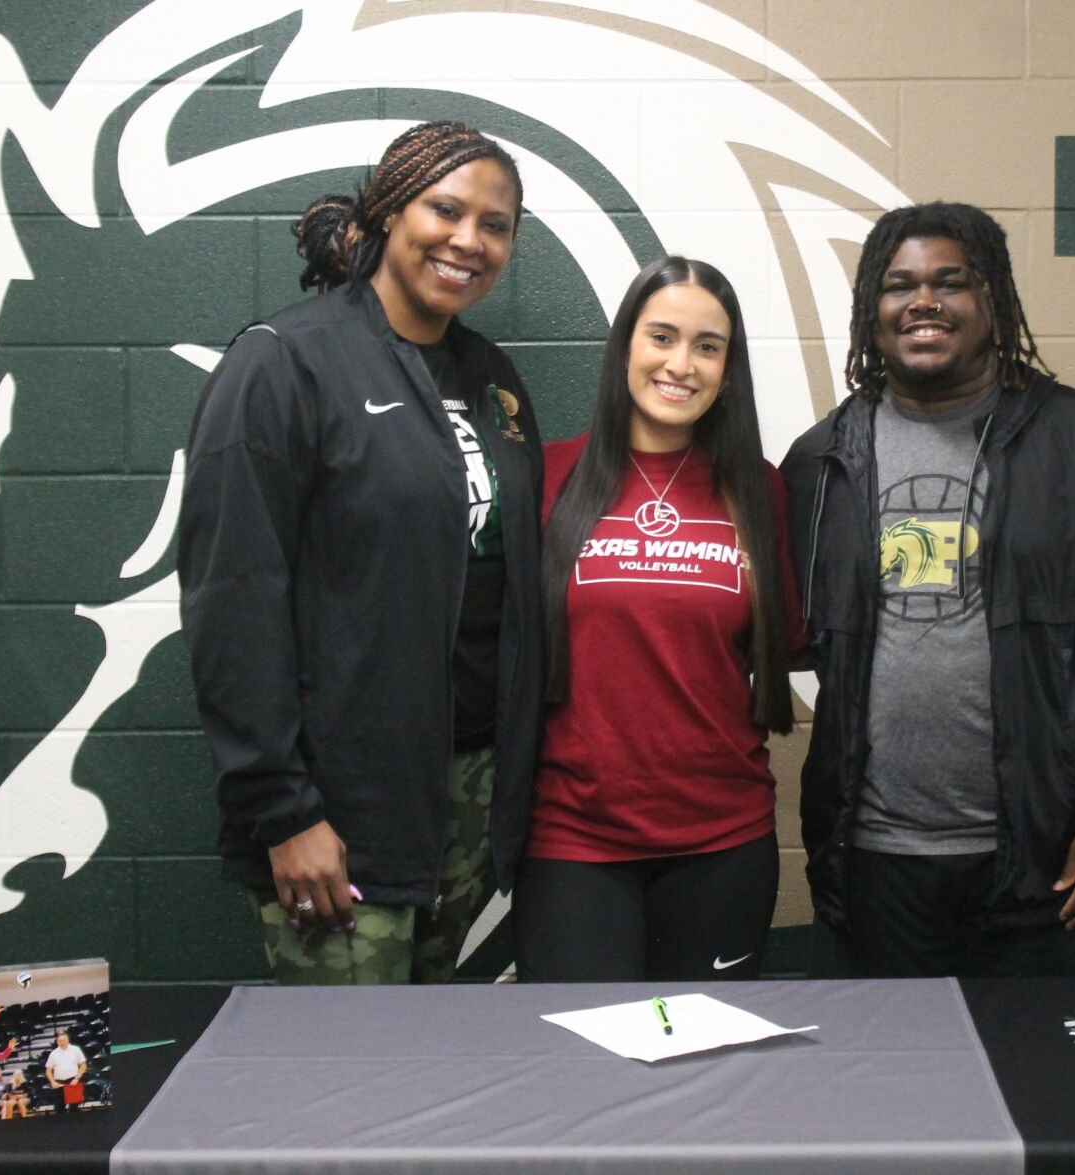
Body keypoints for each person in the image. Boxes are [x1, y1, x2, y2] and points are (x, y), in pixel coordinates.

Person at [781, 202, 1075, 984]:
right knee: (890, 1095)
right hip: (872, 865)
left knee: (1055, 1093)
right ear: (871, 309)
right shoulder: (822, 460)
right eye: (898, 284)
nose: (923, 301)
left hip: (1047, 863)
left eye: (951, 281)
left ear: (993, 302)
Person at [178, 121, 545, 985]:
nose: (468, 241)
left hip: (471, 803)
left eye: (495, 225)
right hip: (340, 811)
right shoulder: (283, 362)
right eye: (445, 210)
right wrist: (280, 809)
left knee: (439, 1072)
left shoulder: (493, 380)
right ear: (389, 210)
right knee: (350, 1084)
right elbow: (234, 600)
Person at [513, 257, 803, 982]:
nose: (682, 363)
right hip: (572, 840)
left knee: (703, 1076)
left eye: (707, 346)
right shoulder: (545, 478)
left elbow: (785, 642)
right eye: (662, 337)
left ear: (728, 370)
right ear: (625, 350)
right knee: (582, 1071)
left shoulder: (759, 490)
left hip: (722, 839)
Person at [44, 1030, 87, 1112]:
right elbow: (48, 1071)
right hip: (58, 1083)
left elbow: (83, 1066)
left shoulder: (75, 1049)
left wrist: (77, 1078)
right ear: (57, 1042)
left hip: (73, 1081)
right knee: (59, 1109)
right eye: (60, 1041)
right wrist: (52, 1082)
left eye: (64, 1040)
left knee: (74, 1109)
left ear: (68, 1040)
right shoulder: (53, 1053)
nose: (62, 1042)